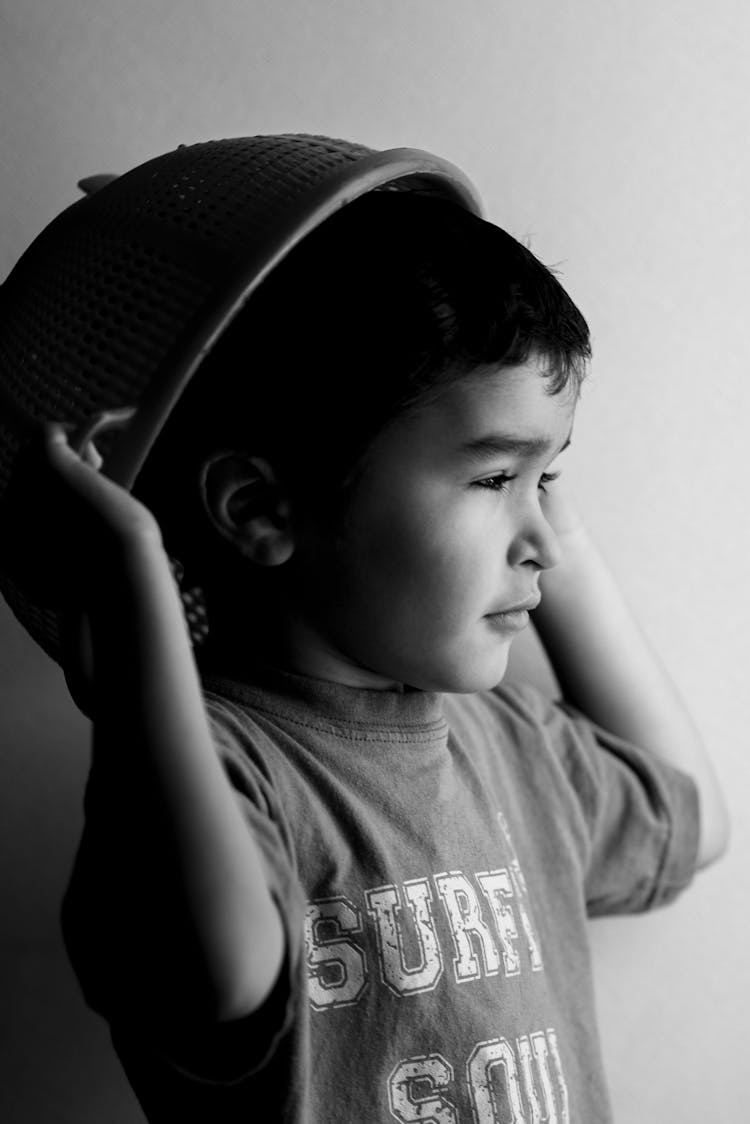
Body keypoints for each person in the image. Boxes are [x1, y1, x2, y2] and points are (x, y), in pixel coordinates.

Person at [41, 188, 727, 1123]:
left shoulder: (516, 745)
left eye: (549, 480)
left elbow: (688, 818)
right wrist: (132, 587)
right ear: (260, 510)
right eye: (493, 478)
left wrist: (529, 488)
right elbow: (221, 972)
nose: (546, 542)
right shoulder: (223, 768)